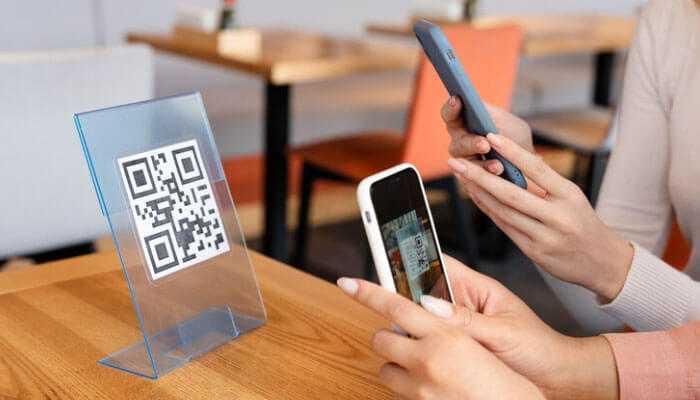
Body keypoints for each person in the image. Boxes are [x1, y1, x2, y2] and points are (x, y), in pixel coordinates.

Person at [444, 0, 700, 333]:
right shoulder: (671, 20)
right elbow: (606, 308)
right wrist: (528, 184)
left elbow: (613, 269)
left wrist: (613, 268)